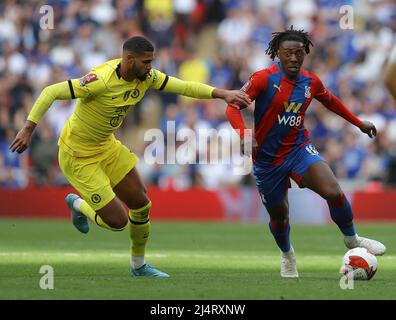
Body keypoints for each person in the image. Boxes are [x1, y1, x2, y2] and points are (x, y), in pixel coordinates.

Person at [10, 36, 251, 278]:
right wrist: (28, 128)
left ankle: (138, 266)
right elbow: (51, 91)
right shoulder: (100, 81)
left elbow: (184, 86)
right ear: (129, 60)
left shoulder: (147, 77)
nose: (150, 67)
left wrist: (222, 94)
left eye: (151, 61)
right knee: (117, 221)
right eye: (146, 62)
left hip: (107, 147)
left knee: (142, 204)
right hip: (78, 155)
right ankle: (79, 205)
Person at [225, 26, 386, 278]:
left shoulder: (310, 81)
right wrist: (245, 135)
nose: (293, 58)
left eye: (298, 53)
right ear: (277, 53)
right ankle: (287, 255)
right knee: (280, 217)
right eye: (288, 53)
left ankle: (352, 239)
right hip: (267, 160)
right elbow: (232, 108)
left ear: (305, 53)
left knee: (333, 190)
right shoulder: (263, 79)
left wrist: (358, 122)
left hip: (299, 149)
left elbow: (330, 100)